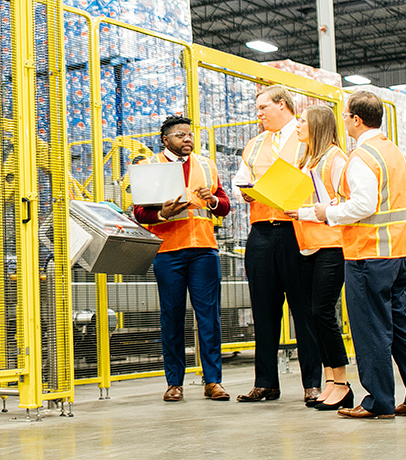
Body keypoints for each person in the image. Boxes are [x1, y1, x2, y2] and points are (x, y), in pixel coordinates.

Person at [312, 91, 406, 419]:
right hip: (397, 253)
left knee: (371, 331)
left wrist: (327, 211)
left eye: (346, 115)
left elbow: (364, 206)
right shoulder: (393, 151)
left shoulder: (362, 157)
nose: (343, 120)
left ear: (356, 119)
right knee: (400, 325)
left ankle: (378, 402)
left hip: (368, 255)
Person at [232, 85, 323, 404]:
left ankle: (313, 383)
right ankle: (266, 382)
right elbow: (241, 179)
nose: (258, 114)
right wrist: (244, 190)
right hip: (261, 233)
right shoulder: (255, 144)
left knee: (305, 310)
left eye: (262, 108)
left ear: (282, 105)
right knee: (264, 310)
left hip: (296, 231)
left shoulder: (307, 138)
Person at [133, 115, 232, 402]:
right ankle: (174, 382)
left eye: (189, 135)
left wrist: (212, 201)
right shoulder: (148, 167)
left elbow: (223, 206)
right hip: (168, 251)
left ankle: (213, 381)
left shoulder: (206, 165)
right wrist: (162, 213)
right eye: (179, 135)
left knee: (209, 318)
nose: (187, 139)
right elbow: (139, 213)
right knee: (172, 317)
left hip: (204, 250)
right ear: (165, 139)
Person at [284, 105, 353, 411]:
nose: (297, 125)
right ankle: (330, 381)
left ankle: (342, 383)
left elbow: (340, 203)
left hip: (331, 245)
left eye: (302, 121)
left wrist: (303, 212)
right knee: (314, 317)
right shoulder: (307, 160)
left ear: (317, 126)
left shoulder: (335, 158)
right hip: (308, 245)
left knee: (324, 313)